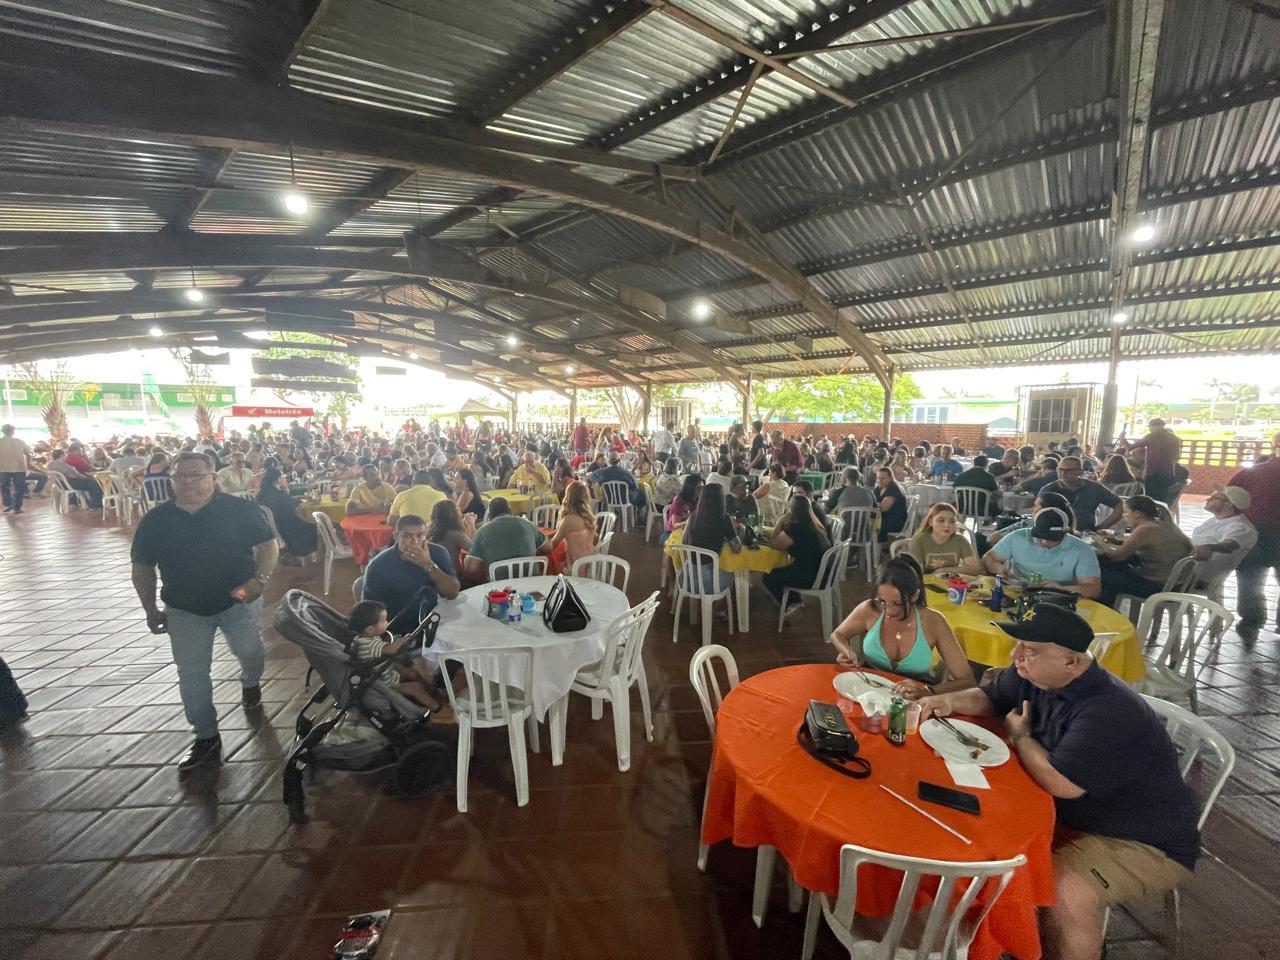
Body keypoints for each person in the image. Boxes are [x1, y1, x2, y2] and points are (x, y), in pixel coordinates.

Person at [916, 605, 1201, 960]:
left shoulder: (1107, 709)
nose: (1016, 656)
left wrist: (1021, 738)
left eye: (1031, 650)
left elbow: (1061, 782)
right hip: (1068, 812)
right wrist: (946, 700)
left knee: (1064, 892)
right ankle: (996, 938)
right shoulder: (1033, 675)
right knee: (970, 833)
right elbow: (992, 697)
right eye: (1018, 645)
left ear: (1072, 662)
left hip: (1140, 838)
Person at [131, 452, 278, 771]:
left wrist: (259, 581)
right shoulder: (157, 520)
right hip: (184, 607)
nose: (189, 483)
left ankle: (250, 681)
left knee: (250, 652)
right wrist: (149, 607)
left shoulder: (238, 510)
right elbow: (142, 566)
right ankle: (205, 736)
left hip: (238, 598)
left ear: (214, 478)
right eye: (180, 477)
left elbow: (269, 545)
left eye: (196, 476)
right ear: (171, 482)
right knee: (192, 671)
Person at [829, 555, 975, 695]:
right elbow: (838, 635)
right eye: (882, 602)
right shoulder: (869, 609)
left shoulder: (933, 622)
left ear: (915, 596)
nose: (889, 611)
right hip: (869, 689)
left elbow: (967, 681)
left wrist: (928, 691)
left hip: (914, 696)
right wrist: (846, 652)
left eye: (897, 603)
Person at [362, 513, 460, 633]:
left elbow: (452, 593)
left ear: (426, 535)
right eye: (407, 536)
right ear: (396, 536)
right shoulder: (378, 566)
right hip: (398, 628)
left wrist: (427, 564)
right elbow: (368, 614)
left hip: (435, 621)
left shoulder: (439, 553)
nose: (415, 541)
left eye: (420, 535)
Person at [346, 601, 445, 712]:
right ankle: (436, 708)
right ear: (370, 629)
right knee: (416, 688)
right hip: (386, 682)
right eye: (383, 621)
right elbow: (391, 649)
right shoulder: (368, 645)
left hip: (385, 672)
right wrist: (405, 639)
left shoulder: (361, 639)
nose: (387, 623)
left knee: (412, 672)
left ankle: (431, 691)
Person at [1094, 495, 1191, 608]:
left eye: (1126, 512)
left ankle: (1104, 612)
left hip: (1158, 587)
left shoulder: (1145, 529)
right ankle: (1107, 611)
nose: (1123, 516)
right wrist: (1115, 542)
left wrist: (1100, 542)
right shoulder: (1161, 524)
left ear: (1138, 513)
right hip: (1174, 583)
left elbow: (1117, 556)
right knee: (1111, 566)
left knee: (1103, 574)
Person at [984, 508, 1102, 599]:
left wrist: (1061, 589)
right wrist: (997, 568)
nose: (1044, 542)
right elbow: (989, 557)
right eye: (1040, 537)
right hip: (1016, 591)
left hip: (1058, 598)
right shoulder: (1018, 536)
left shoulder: (1082, 549)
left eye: (1052, 539)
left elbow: (1093, 589)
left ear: (1065, 533)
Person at [1226, 454, 1280, 634]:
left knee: (1249, 578)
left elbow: (1228, 495)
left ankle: (1252, 619)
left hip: (1253, 532)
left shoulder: (1252, 472)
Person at [762, 493, 829, 609]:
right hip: (825, 574)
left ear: (792, 511)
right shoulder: (815, 524)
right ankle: (796, 601)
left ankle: (790, 605)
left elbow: (774, 544)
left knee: (768, 577)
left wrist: (780, 522)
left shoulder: (796, 529)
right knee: (787, 569)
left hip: (811, 577)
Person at [1190, 486, 1257, 597]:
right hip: (1188, 571)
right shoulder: (1216, 520)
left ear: (1229, 504)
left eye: (1214, 498)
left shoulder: (1239, 527)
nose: (1207, 500)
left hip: (1197, 580)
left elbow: (1230, 545)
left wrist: (1209, 547)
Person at [681, 484, 741, 602]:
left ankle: (706, 610)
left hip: (686, 577)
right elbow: (737, 548)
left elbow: (684, 542)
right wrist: (727, 539)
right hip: (707, 580)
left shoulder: (693, 516)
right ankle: (716, 610)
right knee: (735, 576)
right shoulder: (724, 519)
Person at [463, 497, 547, 579]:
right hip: (532, 581)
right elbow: (549, 547)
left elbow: (471, 569)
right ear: (510, 511)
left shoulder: (481, 532)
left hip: (500, 588)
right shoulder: (528, 525)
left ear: (489, 516)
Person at [1040, 457, 1123, 532]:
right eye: (1060, 470)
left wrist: (1101, 527)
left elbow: (1120, 505)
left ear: (1080, 472)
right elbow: (1037, 511)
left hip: (1085, 534)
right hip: (1055, 533)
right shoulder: (1049, 489)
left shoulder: (1094, 488)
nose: (1063, 473)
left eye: (1069, 470)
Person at [255, 467, 318, 563]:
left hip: (272, 529)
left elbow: (290, 501)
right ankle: (319, 557)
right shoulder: (280, 495)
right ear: (279, 479)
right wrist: (315, 501)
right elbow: (299, 506)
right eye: (283, 477)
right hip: (289, 529)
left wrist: (301, 496)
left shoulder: (262, 494)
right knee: (319, 527)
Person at [904, 503, 980, 576]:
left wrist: (943, 570)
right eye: (941, 520)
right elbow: (916, 572)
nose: (947, 525)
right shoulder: (919, 540)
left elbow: (974, 569)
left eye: (952, 521)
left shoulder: (960, 540)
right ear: (930, 522)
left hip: (951, 584)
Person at [1126, 418, 1182, 501]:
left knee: (1151, 499)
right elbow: (1177, 457)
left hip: (1153, 472)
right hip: (1169, 473)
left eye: (1150, 427)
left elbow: (1130, 447)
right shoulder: (1174, 438)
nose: (1149, 429)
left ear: (1155, 426)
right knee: (1163, 499)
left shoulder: (1151, 437)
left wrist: (1122, 439)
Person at [547, 480, 596, 571]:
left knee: (546, 560)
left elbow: (552, 545)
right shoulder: (588, 516)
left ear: (568, 497)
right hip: (588, 562)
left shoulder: (569, 520)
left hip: (575, 566)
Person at [426, 498, 472, 577]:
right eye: (458, 510)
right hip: (451, 575)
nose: (460, 512)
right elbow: (475, 549)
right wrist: (471, 524)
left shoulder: (429, 530)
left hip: (432, 573)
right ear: (453, 514)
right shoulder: (454, 533)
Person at [663, 473, 703, 545]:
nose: (701, 490)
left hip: (689, 531)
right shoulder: (679, 500)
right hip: (672, 532)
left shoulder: (699, 500)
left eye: (702, 487)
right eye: (699, 488)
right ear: (691, 488)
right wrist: (690, 522)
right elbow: (675, 525)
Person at [0, 423, 32, 514]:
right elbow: (28, 454)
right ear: (13, 432)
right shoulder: (19, 441)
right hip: (19, 468)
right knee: (19, 488)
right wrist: (28, 466)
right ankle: (17, 507)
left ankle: (8, 504)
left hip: (3, 468)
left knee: (5, 487)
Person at [873, 467, 907, 540]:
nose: (879, 480)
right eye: (878, 478)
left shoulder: (893, 488)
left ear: (890, 478)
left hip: (894, 521)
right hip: (884, 519)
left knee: (864, 525)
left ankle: (869, 547)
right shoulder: (879, 488)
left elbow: (883, 508)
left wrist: (870, 503)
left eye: (883, 478)